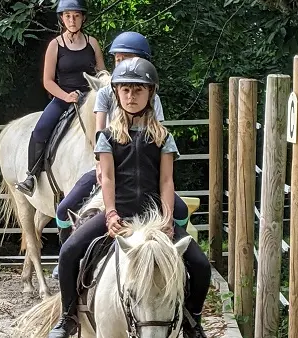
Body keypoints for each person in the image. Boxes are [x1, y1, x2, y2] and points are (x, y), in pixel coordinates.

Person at [47, 57, 210, 338]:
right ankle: (68, 315)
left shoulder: (163, 137)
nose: (131, 96)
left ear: (150, 94)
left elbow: (167, 180)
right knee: (69, 251)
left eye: (138, 90)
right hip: (119, 213)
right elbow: (107, 179)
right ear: (117, 94)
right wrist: (110, 214)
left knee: (200, 264)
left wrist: (168, 219)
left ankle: (192, 320)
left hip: (155, 217)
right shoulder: (107, 137)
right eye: (125, 90)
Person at [52, 32, 189, 277]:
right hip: (109, 159)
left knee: (180, 212)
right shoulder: (107, 93)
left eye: (126, 57)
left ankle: (177, 264)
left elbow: (156, 135)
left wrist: (166, 217)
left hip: (147, 175)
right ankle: (68, 288)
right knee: (65, 208)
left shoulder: (151, 98)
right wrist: (101, 160)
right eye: (117, 59)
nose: (121, 63)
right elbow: (100, 130)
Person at [14, 0, 105, 197]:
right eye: (67, 16)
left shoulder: (92, 43)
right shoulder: (55, 45)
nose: (72, 20)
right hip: (64, 98)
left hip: (91, 99)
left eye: (76, 16)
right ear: (62, 19)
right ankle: (31, 175)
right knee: (40, 130)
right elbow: (47, 81)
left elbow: (102, 73)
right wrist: (66, 96)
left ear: (83, 17)